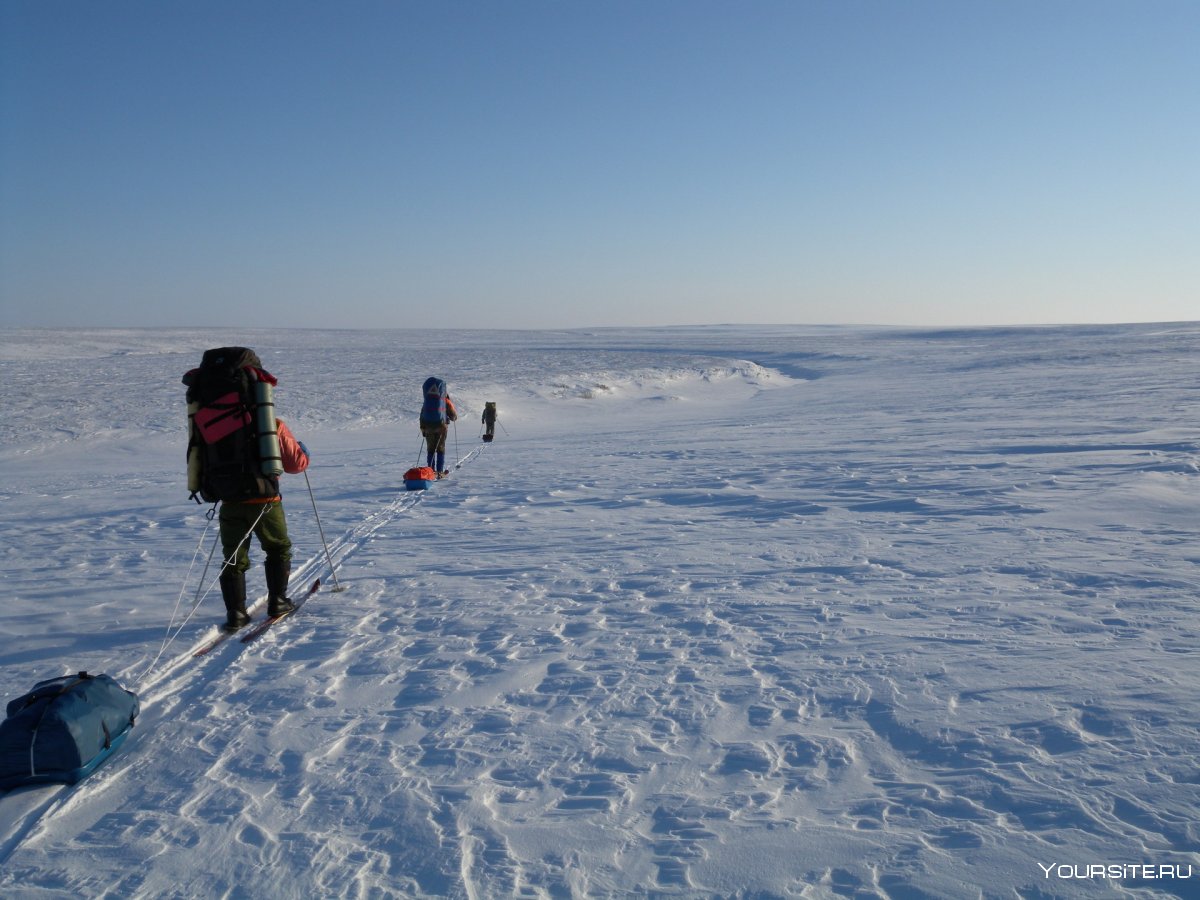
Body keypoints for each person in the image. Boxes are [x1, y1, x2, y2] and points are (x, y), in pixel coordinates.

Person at [216, 417, 310, 630]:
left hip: (230, 500)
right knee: (278, 548)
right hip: (265, 500)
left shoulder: (213, 422)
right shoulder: (270, 421)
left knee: (233, 556)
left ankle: (236, 613)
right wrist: (304, 454)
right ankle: (278, 601)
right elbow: (295, 464)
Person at [419, 377, 458, 477]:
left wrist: (423, 429)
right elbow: (453, 416)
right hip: (441, 427)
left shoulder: (427, 401)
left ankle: (430, 471)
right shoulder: (445, 400)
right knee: (440, 449)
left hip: (428, 427)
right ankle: (440, 471)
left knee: (430, 449)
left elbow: (422, 415)